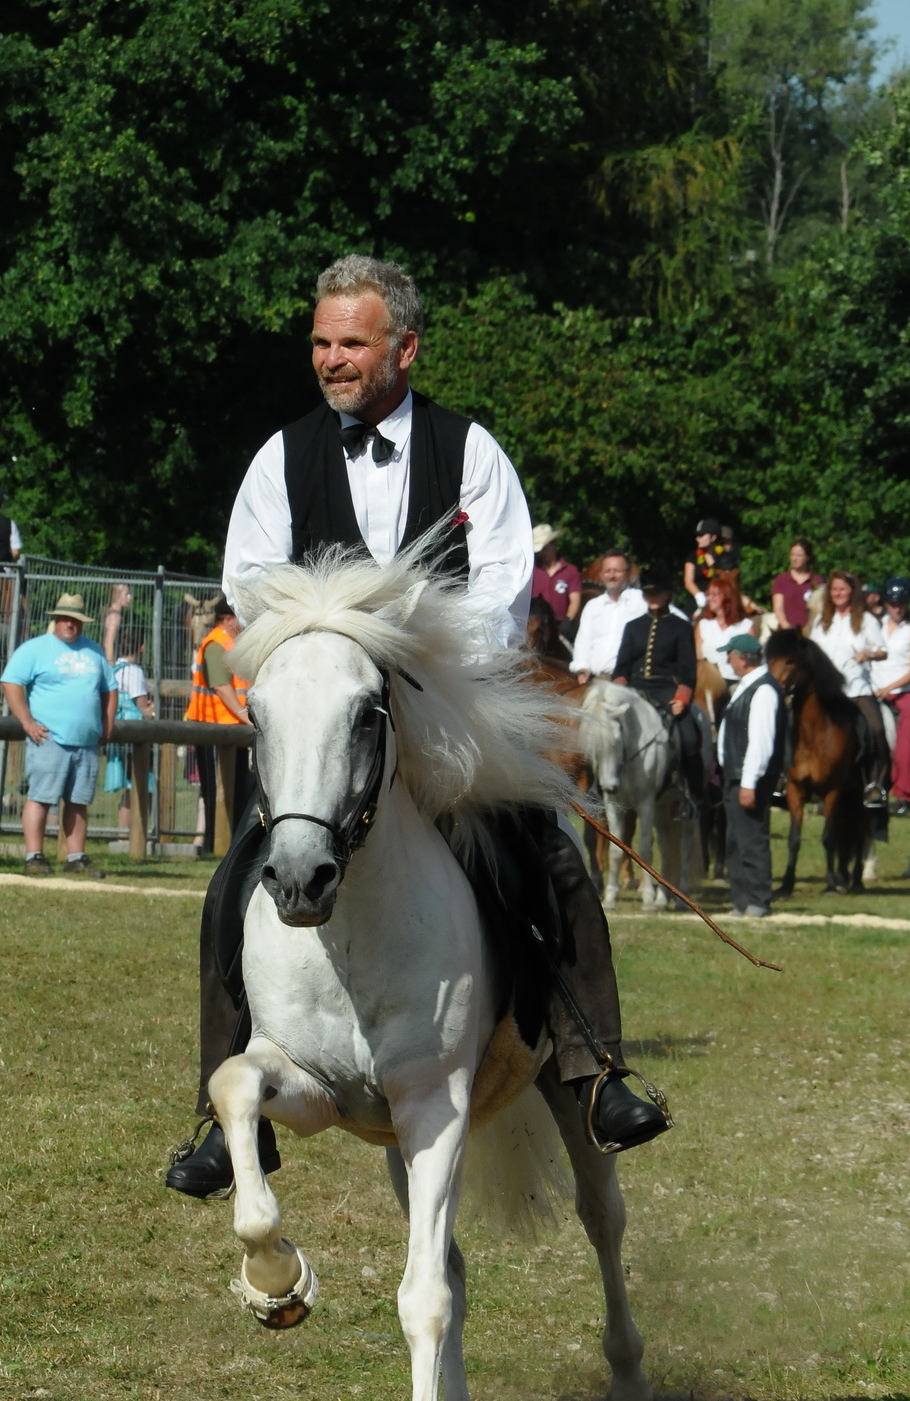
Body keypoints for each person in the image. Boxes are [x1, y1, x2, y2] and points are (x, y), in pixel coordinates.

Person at [167, 253, 668, 1199]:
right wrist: (331, 640)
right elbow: (249, 580)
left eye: (350, 342)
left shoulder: (470, 449)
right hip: (328, 713)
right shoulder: (279, 456)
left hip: (443, 716)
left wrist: (410, 656)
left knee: (548, 852)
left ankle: (591, 1067)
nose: (330, 359)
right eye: (319, 342)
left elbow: (503, 585)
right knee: (237, 874)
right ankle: (216, 1111)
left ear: (405, 346)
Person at [0, 592, 116, 878]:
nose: (69, 624)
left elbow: (109, 689)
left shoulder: (94, 651)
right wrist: (26, 721)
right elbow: (11, 681)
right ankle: (34, 856)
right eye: (64, 618)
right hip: (49, 738)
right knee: (40, 797)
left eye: (75, 619)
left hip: (86, 740)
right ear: (55, 620)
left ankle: (75, 857)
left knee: (78, 801)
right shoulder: (35, 649)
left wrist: (107, 723)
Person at [612, 562, 704, 800]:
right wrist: (619, 692)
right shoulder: (632, 627)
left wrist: (682, 698)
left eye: (657, 592)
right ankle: (599, 788)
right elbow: (621, 667)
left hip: (666, 689)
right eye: (648, 592)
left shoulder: (681, 627)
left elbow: (688, 669)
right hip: (635, 689)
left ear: (667, 594)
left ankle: (693, 797)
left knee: (689, 737)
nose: (652, 597)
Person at [716, 633, 785, 918]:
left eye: (729, 655)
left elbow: (760, 742)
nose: (727, 660)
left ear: (743, 658)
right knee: (736, 840)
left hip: (747, 779)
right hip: (736, 776)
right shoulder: (749, 686)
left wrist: (748, 783)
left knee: (752, 839)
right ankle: (741, 900)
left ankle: (758, 900)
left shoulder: (764, 690)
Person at [810, 570, 888, 802]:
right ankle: (788, 777)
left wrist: (869, 654)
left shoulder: (867, 621)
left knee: (877, 731)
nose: (838, 594)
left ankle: (875, 784)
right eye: (834, 589)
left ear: (852, 592)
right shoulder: (821, 621)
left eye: (842, 589)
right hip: (827, 691)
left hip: (856, 690)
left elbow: (883, 651)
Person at [871, 578, 910, 875]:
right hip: (873, 689)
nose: (897, 607)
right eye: (893, 602)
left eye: (901, 603)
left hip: (902, 690)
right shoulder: (874, 625)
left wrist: (889, 688)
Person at [184, 596, 251, 851]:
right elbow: (222, 688)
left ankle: (228, 841)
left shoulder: (230, 644)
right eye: (240, 619)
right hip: (213, 729)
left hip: (229, 728)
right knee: (214, 789)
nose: (244, 625)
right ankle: (213, 841)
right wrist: (246, 716)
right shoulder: (216, 644)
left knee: (235, 788)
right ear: (228, 619)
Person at [104, 631, 155, 847]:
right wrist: (152, 712)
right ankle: (136, 834)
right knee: (143, 785)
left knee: (128, 787)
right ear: (141, 647)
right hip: (134, 733)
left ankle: (123, 834)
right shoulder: (133, 671)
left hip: (118, 732)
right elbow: (142, 705)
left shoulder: (114, 668)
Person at [568, 550, 645, 683]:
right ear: (601, 575)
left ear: (628, 573)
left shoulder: (642, 601)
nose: (611, 575)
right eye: (607, 571)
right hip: (597, 680)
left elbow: (675, 620)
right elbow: (583, 642)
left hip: (631, 681)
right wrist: (582, 668)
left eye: (616, 571)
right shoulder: (593, 606)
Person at [694, 573, 754, 700]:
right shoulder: (703, 625)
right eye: (708, 594)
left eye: (714, 594)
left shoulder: (745, 626)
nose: (709, 598)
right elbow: (698, 658)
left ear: (726, 597)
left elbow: (751, 660)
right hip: (710, 684)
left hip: (735, 683)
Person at [530, 523, 582, 637]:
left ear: (553, 544)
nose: (540, 553)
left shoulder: (570, 571)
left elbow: (575, 600)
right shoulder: (531, 571)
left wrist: (568, 620)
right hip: (535, 628)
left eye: (543, 549)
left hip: (561, 625)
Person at [683, 519, 738, 608]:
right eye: (697, 535)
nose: (697, 538)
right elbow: (688, 581)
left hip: (721, 602)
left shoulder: (725, 557)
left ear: (713, 537)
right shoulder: (693, 556)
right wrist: (698, 595)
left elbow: (728, 580)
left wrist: (712, 563)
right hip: (697, 603)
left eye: (701, 535)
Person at [771, 539, 824, 630]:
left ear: (807, 557)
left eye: (799, 555)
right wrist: (787, 627)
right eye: (792, 555)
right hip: (786, 631)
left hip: (810, 631)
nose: (795, 558)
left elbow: (821, 609)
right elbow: (778, 608)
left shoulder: (817, 581)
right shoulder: (781, 579)